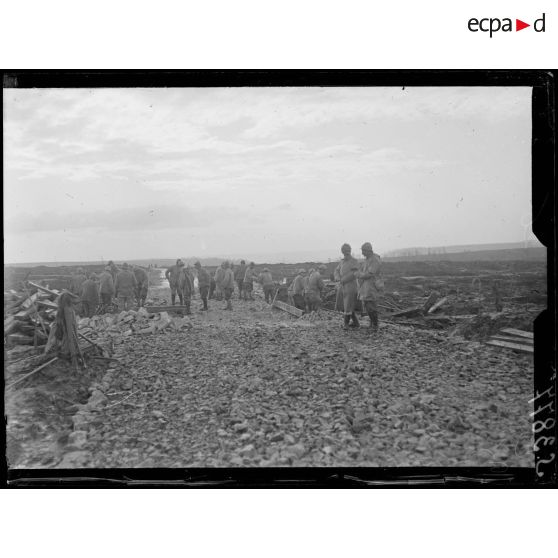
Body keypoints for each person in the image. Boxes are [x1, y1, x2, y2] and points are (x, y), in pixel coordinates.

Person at [356, 242, 382, 333]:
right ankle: (372, 324)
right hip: (366, 286)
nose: (362, 253)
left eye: (363, 251)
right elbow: (363, 270)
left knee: (371, 306)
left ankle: (375, 325)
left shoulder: (374, 260)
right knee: (367, 305)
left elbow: (369, 274)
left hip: (371, 286)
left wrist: (359, 274)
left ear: (368, 250)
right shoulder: (367, 259)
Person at [334, 243, 360, 329]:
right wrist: (338, 278)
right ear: (342, 252)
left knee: (348, 304)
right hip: (342, 286)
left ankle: (346, 324)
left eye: (347, 251)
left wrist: (343, 280)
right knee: (345, 305)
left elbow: (354, 274)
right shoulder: (342, 261)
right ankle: (356, 323)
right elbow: (336, 271)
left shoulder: (354, 261)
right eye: (344, 251)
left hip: (351, 286)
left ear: (350, 251)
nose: (346, 253)